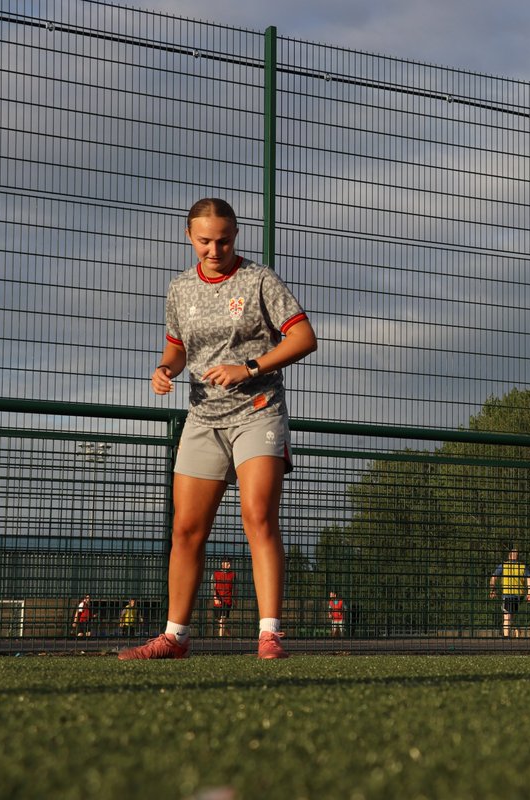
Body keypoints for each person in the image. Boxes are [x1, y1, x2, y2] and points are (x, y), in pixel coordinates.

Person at [120, 197, 317, 661]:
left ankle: (269, 636)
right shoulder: (179, 289)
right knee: (186, 529)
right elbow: (176, 348)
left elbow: (304, 337)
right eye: (205, 240)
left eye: (223, 240)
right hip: (203, 417)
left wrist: (248, 368)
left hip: (258, 410)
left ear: (236, 236)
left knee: (258, 517)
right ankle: (175, 637)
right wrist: (164, 369)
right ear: (190, 237)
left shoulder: (259, 280)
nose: (214, 249)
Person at [489, 548, 530, 637]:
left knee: (507, 615)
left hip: (508, 594)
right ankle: (516, 630)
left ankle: (506, 637)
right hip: (518, 595)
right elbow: (529, 578)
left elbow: (493, 577)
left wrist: (492, 589)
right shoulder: (522, 566)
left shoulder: (504, 566)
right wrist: (529, 593)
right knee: (510, 614)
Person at [212, 560, 235, 637]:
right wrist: (215, 597)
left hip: (227, 600)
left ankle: (220, 641)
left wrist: (235, 600)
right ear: (222, 564)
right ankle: (231, 636)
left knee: (222, 621)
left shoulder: (233, 574)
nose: (229, 565)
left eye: (229, 564)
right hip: (218, 600)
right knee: (221, 622)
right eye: (227, 563)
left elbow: (234, 588)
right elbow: (213, 586)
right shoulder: (216, 573)